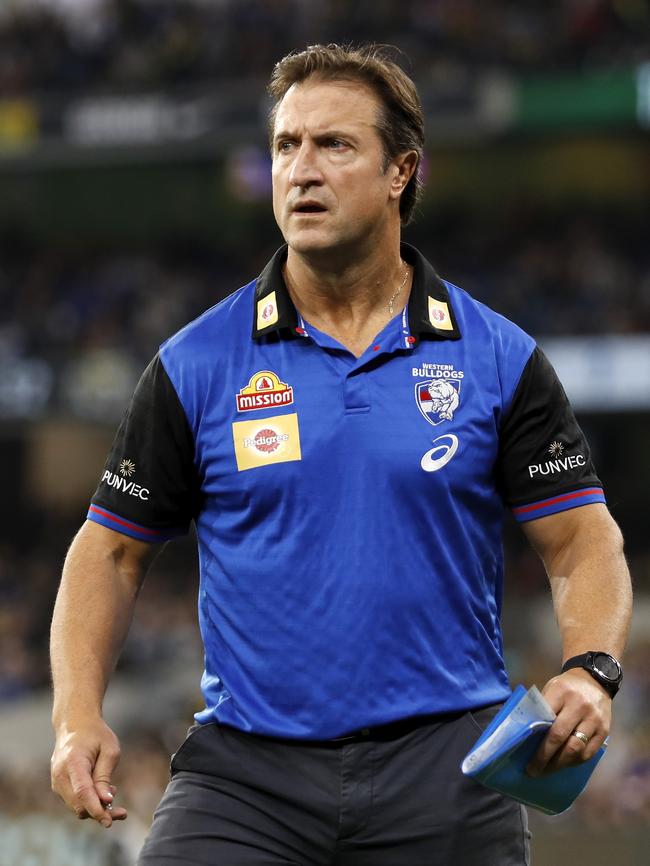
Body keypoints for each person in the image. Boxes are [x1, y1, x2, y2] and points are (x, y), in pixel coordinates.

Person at [50, 44, 632, 866]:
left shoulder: (497, 357)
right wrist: (78, 713)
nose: (301, 170)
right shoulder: (194, 363)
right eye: (286, 145)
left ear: (401, 172)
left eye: (335, 145)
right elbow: (107, 553)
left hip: (448, 770)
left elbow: (582, 538)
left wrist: (591, 668)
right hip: (247, 779)